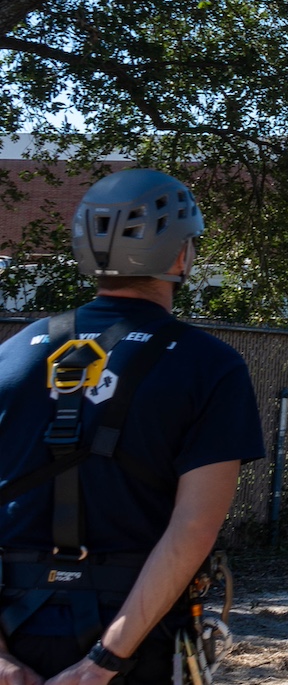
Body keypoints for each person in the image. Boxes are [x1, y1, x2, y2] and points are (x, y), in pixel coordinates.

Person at [0, 170, 263, 685]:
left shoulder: (10, 355)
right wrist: (103, 663)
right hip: (136, 633)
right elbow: (193, 529)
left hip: (13, 622)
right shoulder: (208, 365)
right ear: (181, 255)